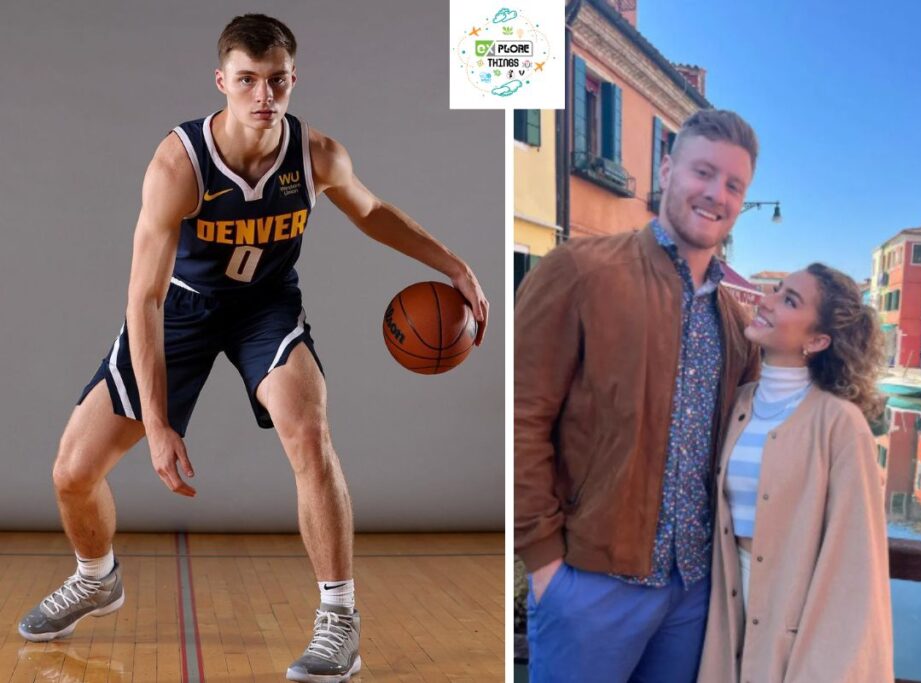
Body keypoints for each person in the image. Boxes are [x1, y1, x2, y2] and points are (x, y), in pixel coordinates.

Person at [17, 14, 488, 683]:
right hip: (179, 308)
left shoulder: (317, 154)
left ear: (294, 79)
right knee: (71, 471)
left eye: (275, 81)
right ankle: (96, 576)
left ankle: (339, 619)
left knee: (309, 431)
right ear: (222, 82)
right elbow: (143, 299)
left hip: (266, 307)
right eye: (247, 80)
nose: (262, 95)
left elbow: (371, 209)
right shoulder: (177, 164)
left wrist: (455, 265)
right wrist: (157, 426)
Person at [514, 109, 760, 683]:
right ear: (668, 169)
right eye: (704, 172)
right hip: (590, 584)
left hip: (693, 592)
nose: (715, 194)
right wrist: (544, 561)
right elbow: (520, 418)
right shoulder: (579, 270)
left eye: (733, 185)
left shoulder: (732, 317)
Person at [698, 264, 893, 682]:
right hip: (726, 603)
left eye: (789, 300)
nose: (766, 300)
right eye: (777, 290)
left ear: (817, 340)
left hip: (800, 608)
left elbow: (856, 558)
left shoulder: (840, 423)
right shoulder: (739, 403)